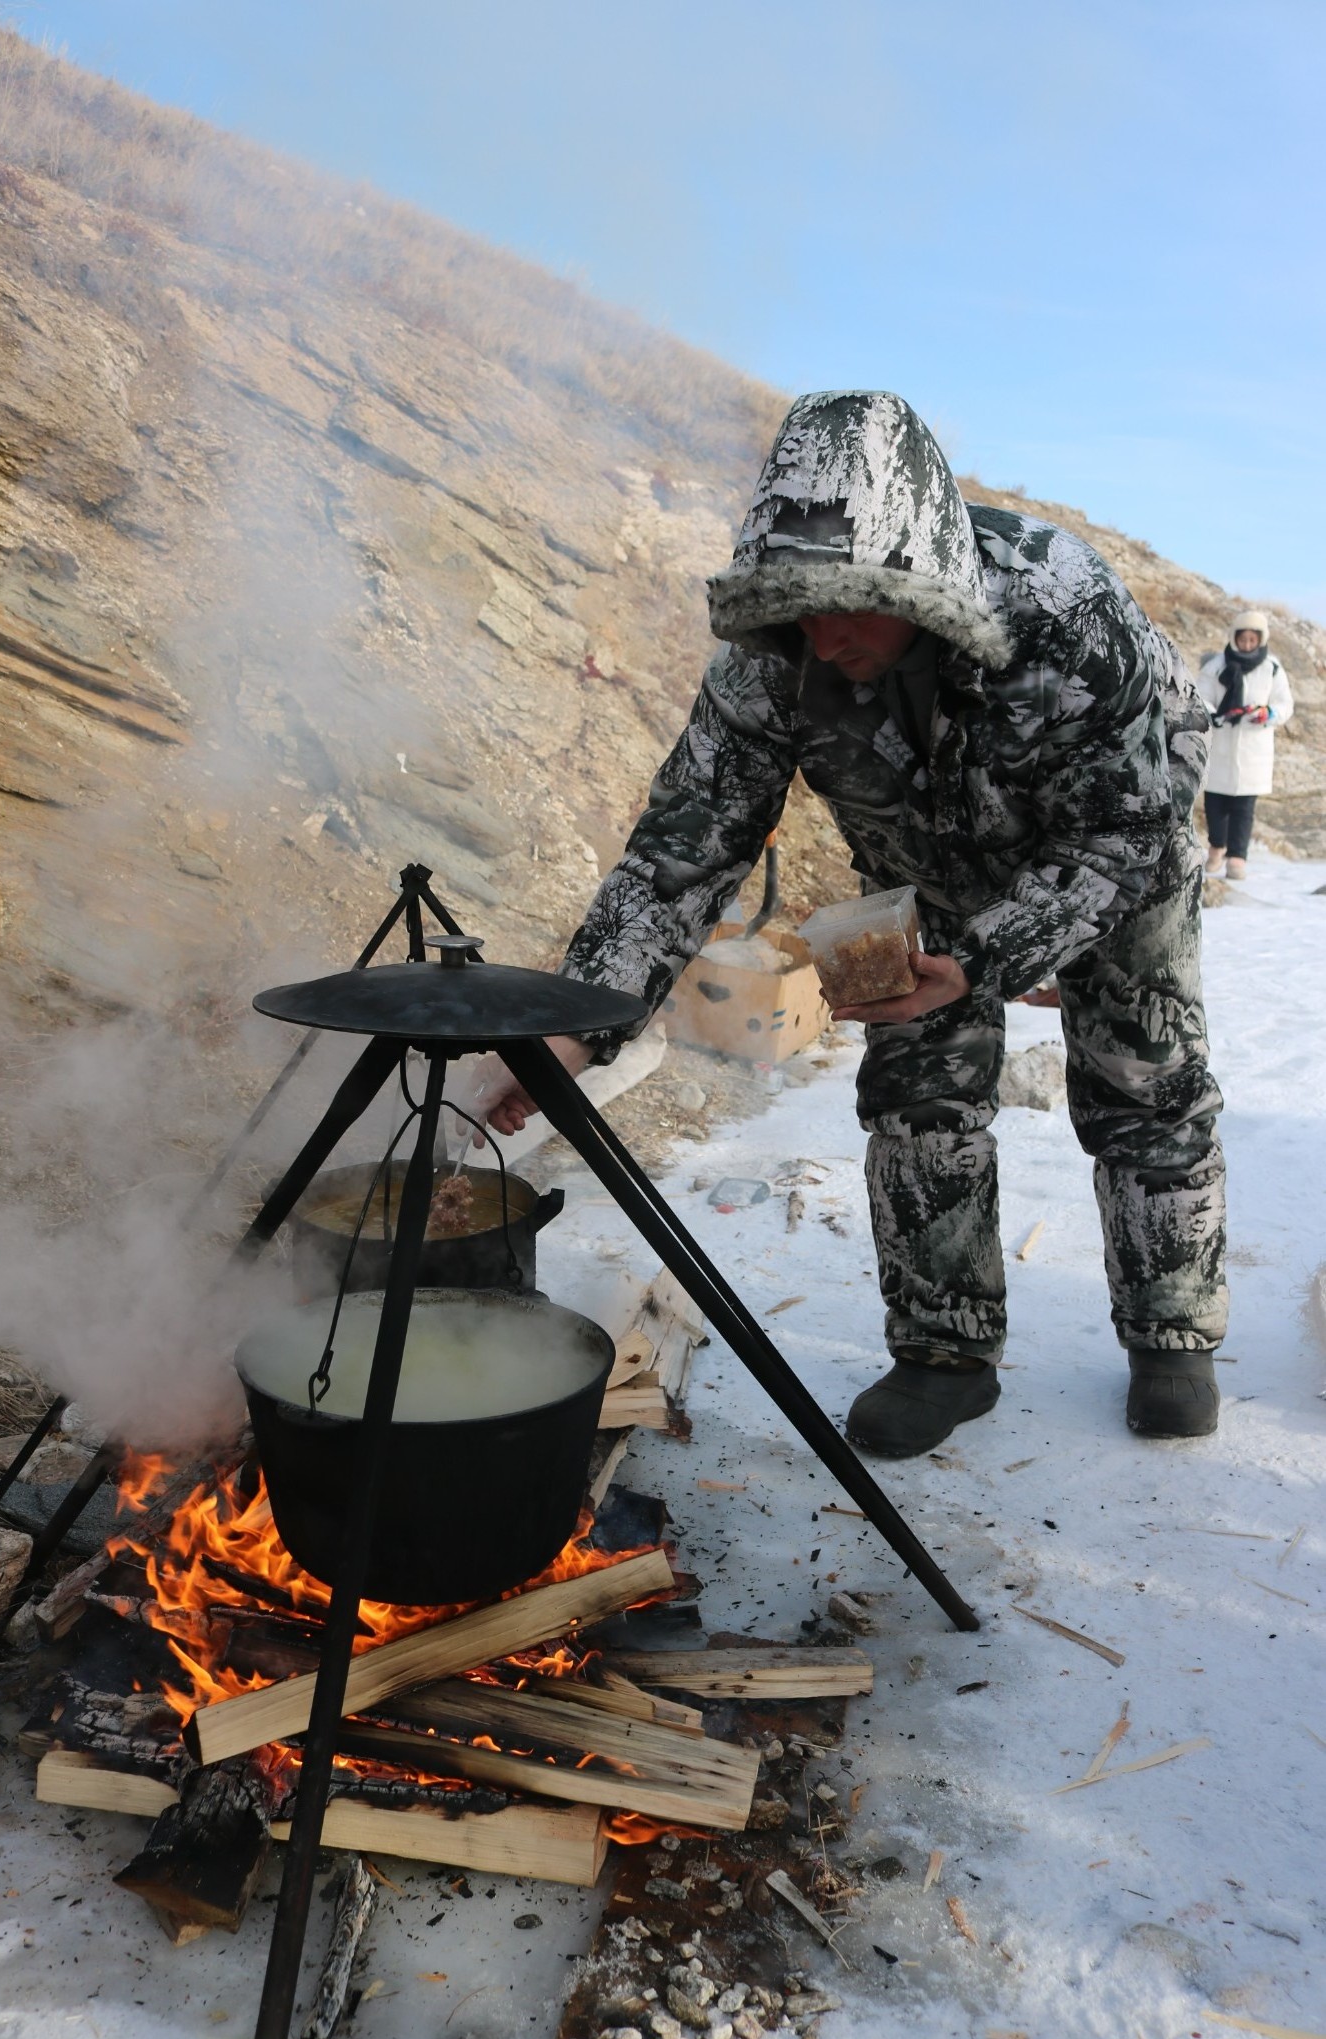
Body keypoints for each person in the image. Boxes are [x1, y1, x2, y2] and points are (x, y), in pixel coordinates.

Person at [478, 392, 1227, 1454]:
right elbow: (681, 852)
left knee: (1142, 1074)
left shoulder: (1063, 610)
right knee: (918, 1082)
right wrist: (574, 1024)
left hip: (1112, 850)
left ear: (922, 587)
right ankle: (943, 1349)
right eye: (795, 606)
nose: (823, 636)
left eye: (850, 605)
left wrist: (994, 954)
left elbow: (1128, 830)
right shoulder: (773, 653)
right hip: (921, 863)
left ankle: (1171, 1331)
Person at [1196, 610, 1293, 881]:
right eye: (1243, 639)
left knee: (1243, 809)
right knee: (1215, 805)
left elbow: (1285, 704)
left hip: (1254, 751)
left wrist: (1268, 713)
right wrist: (1212, 714)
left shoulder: (1272, 668)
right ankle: (1216, 847)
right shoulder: (1215, 665)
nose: (1248, 644)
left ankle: (1237, 858)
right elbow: (1200, 697)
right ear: (1234, 637)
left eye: (1253, 639)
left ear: (1261, 640)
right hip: (1220, 746)